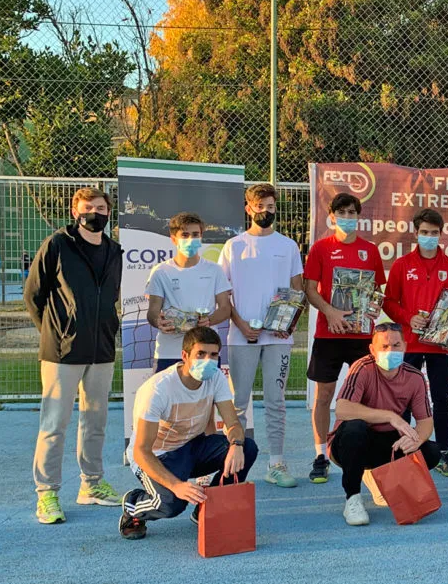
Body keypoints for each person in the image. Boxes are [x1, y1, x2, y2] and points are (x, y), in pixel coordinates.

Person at [26, 187, 124, 524]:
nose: (95, 212)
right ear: (75, 210)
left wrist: (107, 329)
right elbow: (33, 294)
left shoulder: (114, 250)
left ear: (108, 212)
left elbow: (110, 297)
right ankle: (47, 493)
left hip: (102, 349)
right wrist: (55, 331)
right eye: (88, 207)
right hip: (62, 352)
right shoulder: (57, 244)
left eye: (101, 207)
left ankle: (92, 485)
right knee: (55, 424)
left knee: (95, 422)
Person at [119, 327, 259, 540]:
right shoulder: (157, 389)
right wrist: (176, 485)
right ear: (185, 356)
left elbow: (233, 423)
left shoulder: (216, 378)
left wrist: (236, 445)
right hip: (158, 456)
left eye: (213, 355)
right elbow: (141, 452)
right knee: (171, 504)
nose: (208, 360)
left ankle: (208, 510)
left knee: (248, 448)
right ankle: (133, 504)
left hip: (192, 447)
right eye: (200, 354)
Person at [218, 183, 304, 488]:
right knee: (238, 403)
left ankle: (276, 463)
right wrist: (240, 324)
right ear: (248, 208)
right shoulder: (234, 246)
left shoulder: (288, 246)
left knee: (275, 401)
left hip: (278, 338)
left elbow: (297, 291)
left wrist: (287, 321)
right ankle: (234, 466)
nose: (264, 211)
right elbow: (223, 294)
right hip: (242, 336)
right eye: (259, 206)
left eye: (270, 206)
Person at [304, 192, 386, 484]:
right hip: (329, 333)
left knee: (368, 393)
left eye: (352, 213)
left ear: (358, 216)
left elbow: (378, 290)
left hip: (361, 334)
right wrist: (330, 312)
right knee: (323, 395)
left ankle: (368, 452)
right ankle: (320, 455)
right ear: (332, 216)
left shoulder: (370, 251)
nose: (348, 218)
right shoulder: (321, 248)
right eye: (343, 213)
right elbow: (311, 289)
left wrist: (374, 306)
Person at [328, 323, 441, 526]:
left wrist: (415, 440)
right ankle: (352, 498)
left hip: (388, 443)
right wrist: (390, 416)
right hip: (350, 443)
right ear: (372, 349)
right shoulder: (362, 368)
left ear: (405, 346)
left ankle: (382, 479)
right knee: (355, 428)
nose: (391, 351)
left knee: (431, 451)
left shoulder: (415, 377)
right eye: (384, 346)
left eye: (396, 345)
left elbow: (425, 422)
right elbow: (342, 409)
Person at [383, 208, 448, 478]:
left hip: (439, 346)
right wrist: (408, 318)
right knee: (403, 400)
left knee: (441, 399)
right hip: (409, 344)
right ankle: (404, 451)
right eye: (425, 233)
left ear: (441, 234)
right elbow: (389, 302)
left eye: (434, 233)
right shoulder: (401, 265)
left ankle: (442, 453)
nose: (430, 237)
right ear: (415, 233)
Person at [145, 212, 232, 371]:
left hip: (204, 352)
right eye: (185, 235)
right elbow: (152, 311)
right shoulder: (160, 271)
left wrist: (209, 320)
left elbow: (226, 308)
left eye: (195, 234)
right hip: (168, 351)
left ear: (201, 237)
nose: (191, 239)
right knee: (168, 396)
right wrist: (159, 321)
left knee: (205, 396)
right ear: (173, 239)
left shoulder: (215, 270)